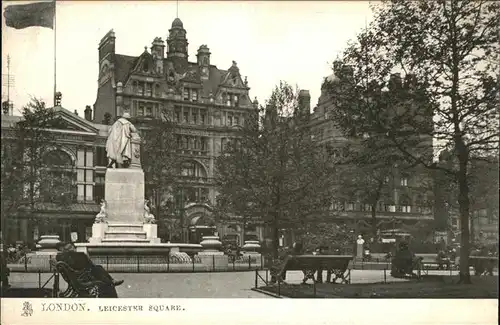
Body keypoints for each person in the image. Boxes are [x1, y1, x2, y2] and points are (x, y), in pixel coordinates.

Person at [55, 242, 123, 287]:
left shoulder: (61, 256)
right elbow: (76, 265)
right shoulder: (66, 255)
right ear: (62, 249)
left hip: (77, 275)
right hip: (81, 274)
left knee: (98, 267)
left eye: (72, 247)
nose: (73, 249)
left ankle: (111, 281)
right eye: (69, 248)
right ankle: (111, 282)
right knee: (97, 268)